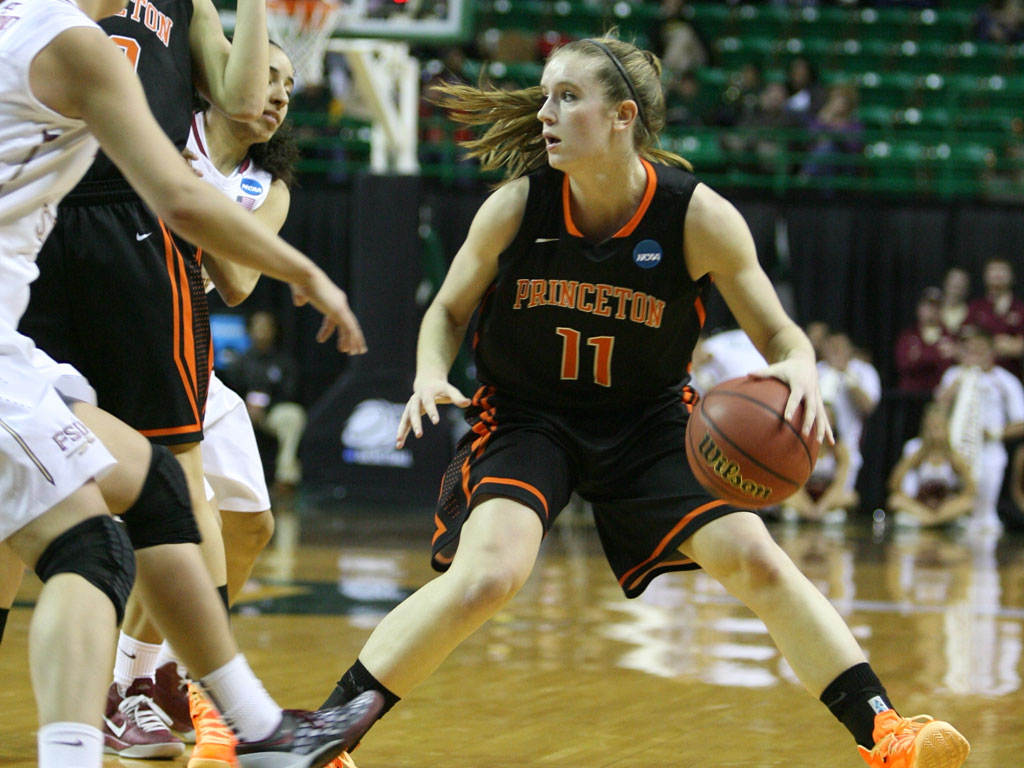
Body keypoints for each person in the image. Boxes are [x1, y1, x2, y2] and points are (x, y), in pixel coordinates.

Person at [314, 33, 969, 768]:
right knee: (489, 575)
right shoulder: (518, 207)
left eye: (568, 97)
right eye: (545, 96)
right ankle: (327, 735)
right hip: (528, 417)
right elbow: (446, 310)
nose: (546, 114)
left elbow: (783, 336)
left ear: (623, 116)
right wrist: (430, 373)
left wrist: (803, 368)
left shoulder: (697, 217)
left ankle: (885, 731)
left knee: (758, 559)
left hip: (650, 423)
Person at [0, 1, 380, 766]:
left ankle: (257, 725)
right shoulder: (77, 47)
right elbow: (178, 198)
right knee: (91, 548)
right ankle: (245, 728)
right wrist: (305, 271)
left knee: (150, 490)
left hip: (19, 339)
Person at [100, 43, 304, 765]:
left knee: (251, 526)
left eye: (288, 85)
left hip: (191, 355)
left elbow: (242, 284)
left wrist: (189, 192)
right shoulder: (161, 121)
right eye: (266, 76)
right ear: (218, 80)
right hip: (127, 345)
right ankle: (138, 685)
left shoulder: (264, 187)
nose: (276, 93)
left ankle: (162, 671)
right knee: (184, 522)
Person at [938, 327, 1024, 533]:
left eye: (980, 349)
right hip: (955, 450)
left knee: (983, 513)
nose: (974, 354)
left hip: (989, 451)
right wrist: (959, 383)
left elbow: (1021, 422)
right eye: (970, 349)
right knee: (955, 505)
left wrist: (994, 432)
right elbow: (939, 408)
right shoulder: (954, 375)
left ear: (991, 351)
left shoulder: (1005, 380)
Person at [223, 311, 308, 490]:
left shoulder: (283, 362)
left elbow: (289, 392)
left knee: (294, 416)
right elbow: (229, 390)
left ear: (274, 331)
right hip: (242, 413)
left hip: (270, 414)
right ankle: (227, 476)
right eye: (258, 328)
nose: (262, 333)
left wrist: (265, 405)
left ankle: (286, 476)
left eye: (266, 328)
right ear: (249, 331)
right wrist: (245, 405)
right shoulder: (240, 362)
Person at [887, 404, 976, 528]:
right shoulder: (915, 449)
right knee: (895, 500)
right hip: (920, 504)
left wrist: (950, 505)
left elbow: (971, 491)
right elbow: (894, 485)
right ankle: (932, 520)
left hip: (944, 506)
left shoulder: (954, 453)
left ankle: (932, 521)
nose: (935, 434)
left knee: (968, 503)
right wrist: (918, 455)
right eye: (931, 428)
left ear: (947, 429)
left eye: (939, 428)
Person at [817, 331, 881, 501]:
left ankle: (823, 509)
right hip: (817, 443)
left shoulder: (863, 370)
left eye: (840, 347)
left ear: (850, 349)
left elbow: (868, 406)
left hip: (847, 444)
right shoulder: (818, 369)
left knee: (842, 498)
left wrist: (847, 376)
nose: (836, 350)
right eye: (832, 346)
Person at [782, 406, 859, 523]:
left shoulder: (840, 450)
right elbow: (795, 485)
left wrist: (821, 508)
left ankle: (821, 514)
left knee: (851, 497)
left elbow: (839, 486)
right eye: (818, 417)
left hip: (826, 498)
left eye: (827, 418)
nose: (822, 421)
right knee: (784, 498)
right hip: (805, 497)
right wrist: (808, 509)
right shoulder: (799, 447)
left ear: (833, 422)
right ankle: (804, 515)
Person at [964, 257, 1024, 380]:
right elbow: (965, 341)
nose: (997, 274)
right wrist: (1001, 343)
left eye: (1002, 270)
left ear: (1011, 276)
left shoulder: (1019, 308)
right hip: (978, 375)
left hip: (1011, 377)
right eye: (993, 270)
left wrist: (986, 345)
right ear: (985, 276)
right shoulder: (976, 307)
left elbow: (1020, 347)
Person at [894, 287, 957, 394]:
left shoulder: (949, 336)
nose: (932, 310)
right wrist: (936, 355)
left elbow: (950, 366)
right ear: (919, 309)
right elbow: (903, 364)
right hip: (910, 396)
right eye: (928, 306)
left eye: (937, 307)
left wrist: (920, 357)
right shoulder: (908, 335)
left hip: (939, 396)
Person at [940, 267, 970, 338]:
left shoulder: (971, 312)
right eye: (953, 280)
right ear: (946, 283)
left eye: (961, 281)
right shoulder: (934, 310)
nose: (957, 283)